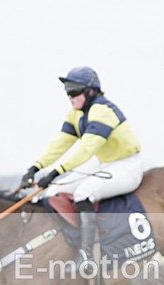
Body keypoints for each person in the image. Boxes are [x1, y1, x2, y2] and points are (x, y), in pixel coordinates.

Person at [19, 66, 142, 268]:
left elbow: (85, 150)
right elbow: (60, 143)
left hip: (127, 166)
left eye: (74, 91)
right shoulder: (75, 114)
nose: (70, 96)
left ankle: (87, 254)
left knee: (83, 193)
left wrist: (54, 172)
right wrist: (34, 168)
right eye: (67, 91)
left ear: (91, 91)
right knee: (54, 190)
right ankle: (65, 242)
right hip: (105, 163)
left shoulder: (103, 111)